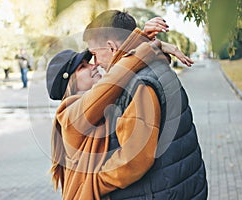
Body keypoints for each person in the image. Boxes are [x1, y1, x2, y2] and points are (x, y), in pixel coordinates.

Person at [48, 18, 195, 199]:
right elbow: (115, 77)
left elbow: (117, 69)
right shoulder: (69, 116)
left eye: (91, 58)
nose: (93, 64)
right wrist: (148, 47)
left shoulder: (103, 102)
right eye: (83, 66)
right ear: (70, 82)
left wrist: (143, 42)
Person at [82, 10, 208, 199]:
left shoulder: (137, 83)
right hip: (177, 186)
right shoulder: (152, 65)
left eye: (94, 54)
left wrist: (94, 182)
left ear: (111, 47)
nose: (96, 62)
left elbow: (134, 159)